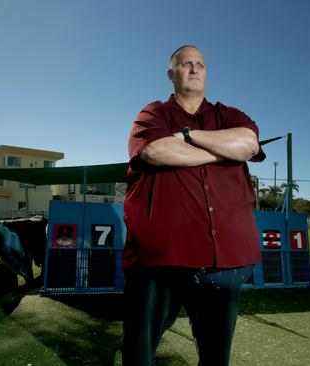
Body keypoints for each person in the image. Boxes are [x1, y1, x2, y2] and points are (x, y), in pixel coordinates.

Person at [122, 45, 265, 366]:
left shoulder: (229, 115)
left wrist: (188, 136)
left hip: (223, 259)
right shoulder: (154, 113)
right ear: (171, 74)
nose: (194, 68)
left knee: (216, 355)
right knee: (139, 349)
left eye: (200, 63)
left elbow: (248, 144)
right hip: (161, 258)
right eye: (185, 63)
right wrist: (222, 151)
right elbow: (157, 152)